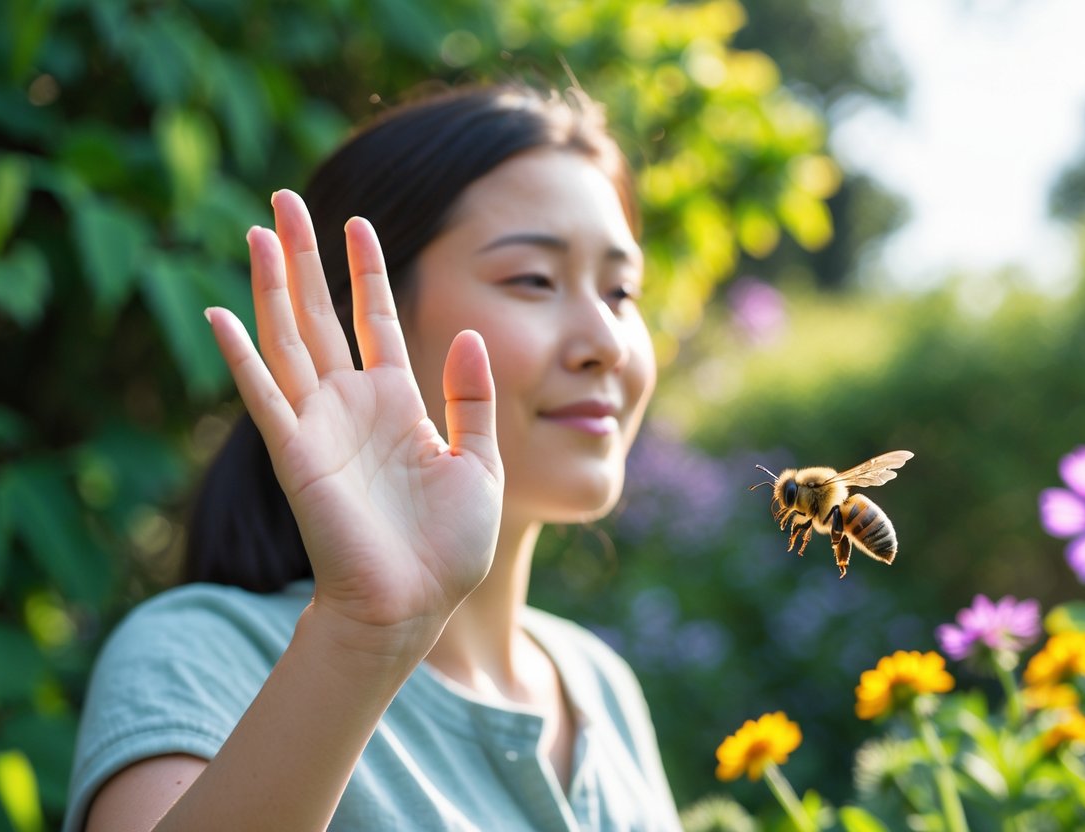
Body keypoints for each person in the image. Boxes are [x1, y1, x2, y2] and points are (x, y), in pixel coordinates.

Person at [62, 81, 680, 831]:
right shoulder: (202, 655)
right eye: (534, 280)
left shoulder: (597, 685)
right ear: (362, 313)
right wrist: (362, 638)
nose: (607, 343)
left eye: (621, 292)